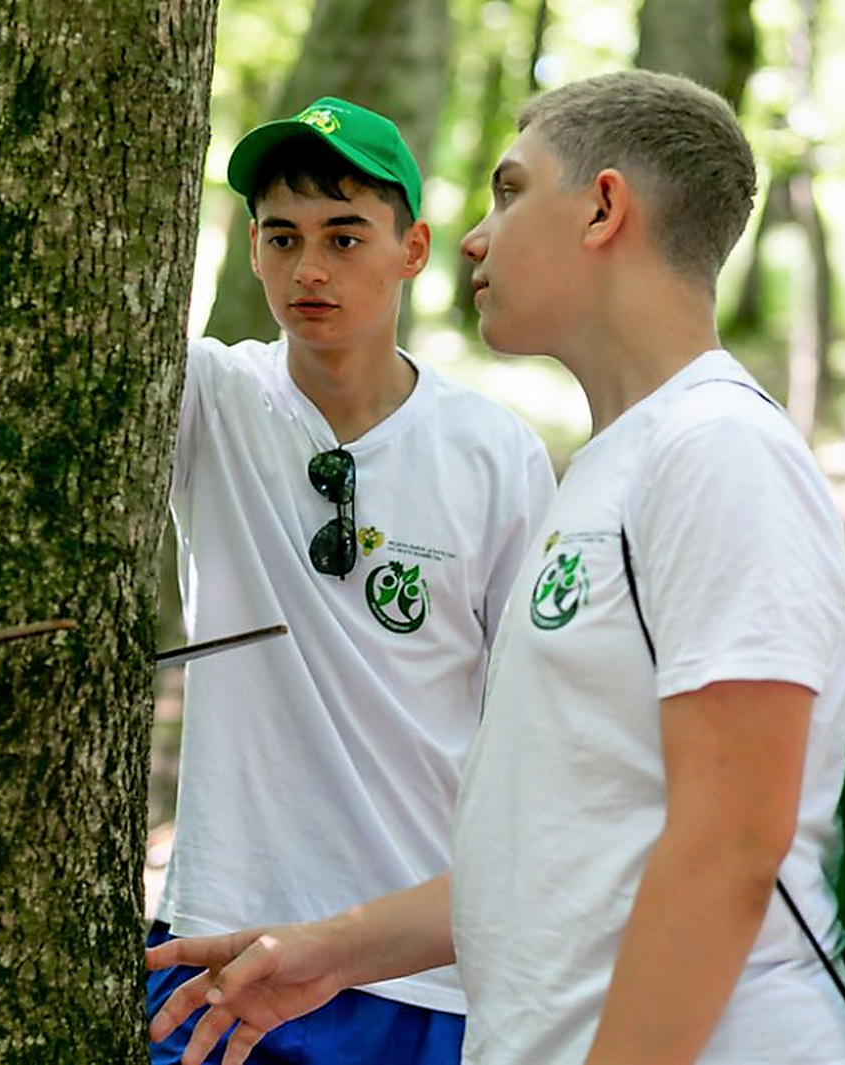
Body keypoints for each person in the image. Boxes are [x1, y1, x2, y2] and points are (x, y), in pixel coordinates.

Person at [149, 70, 845, 1065]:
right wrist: (329, 951)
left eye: (506, 190)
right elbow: (552, 841)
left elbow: (730, 852)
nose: (471, 236)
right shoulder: (608, 468)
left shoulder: (717, 452)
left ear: (603, 208)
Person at [150, 96, 554, 1063]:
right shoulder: (206, 396)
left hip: (418, 969)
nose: (310, 269)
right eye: (282, 238)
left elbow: (533, 724)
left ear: (413, 248)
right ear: (252, 251)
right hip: (222, 941)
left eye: (345, 235)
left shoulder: (494, 452)